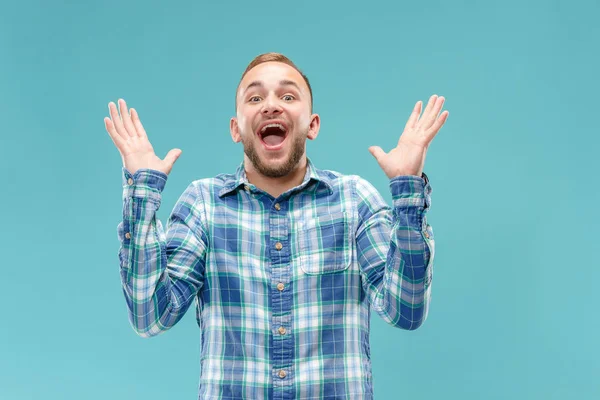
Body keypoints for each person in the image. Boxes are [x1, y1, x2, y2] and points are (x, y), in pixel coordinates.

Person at [104, 52, 449, 400]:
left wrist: (407, 189)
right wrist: (142, 189)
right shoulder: (203, 205)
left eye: (288, 96)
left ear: (312, 124)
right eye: (255, 98)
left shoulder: (353, 200)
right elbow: (150, 316)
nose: (271, 106)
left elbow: (406, 310)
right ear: (236, 129)